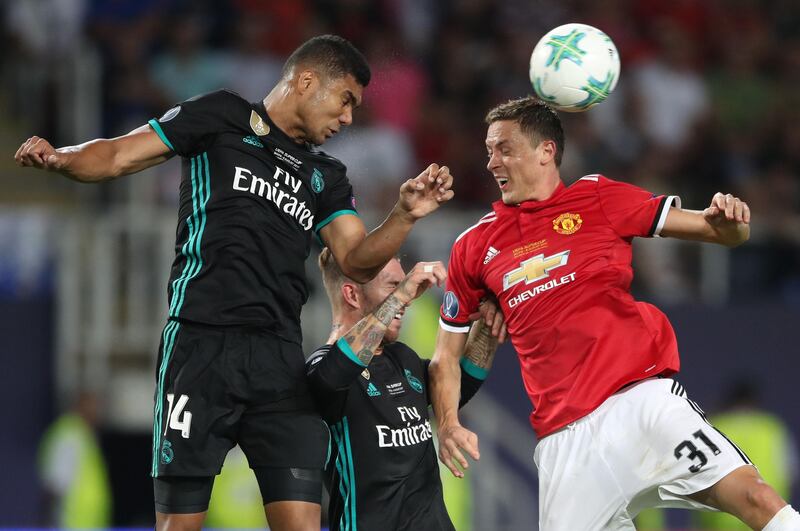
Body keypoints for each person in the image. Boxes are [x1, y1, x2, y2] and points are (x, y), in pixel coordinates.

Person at [15, 35, 454, 531]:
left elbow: (355, 259)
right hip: (200, 346)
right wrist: (62, 158)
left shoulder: (326, 175)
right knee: (180, 524)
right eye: (345, 100)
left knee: (303, 523)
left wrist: (403, 215)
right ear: (307, 81)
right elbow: (119, 156)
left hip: (279, 360)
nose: (348, 118)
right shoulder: (220, 116)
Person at [428, 95, 800, 530]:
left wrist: (732, 220)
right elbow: (445, 357)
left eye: (504, 149)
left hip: (642, 404)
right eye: (489, 150)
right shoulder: (474, 245)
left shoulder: (598, 196)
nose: (491, 162)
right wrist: (450, 422)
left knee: (756, 497)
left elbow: (720, 233)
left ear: (546, 151)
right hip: (566, 441)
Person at [306, 248, 499, 530]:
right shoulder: (322, 367)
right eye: (393, 286)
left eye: (403, 285)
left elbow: (459, 386)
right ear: (352, 295)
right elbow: (332, 375)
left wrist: (488, 321)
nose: (408, 298)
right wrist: (401, 296)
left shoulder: (402, 358)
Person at [37, 392, 112, 528]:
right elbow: (56, 484)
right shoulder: (70, 435)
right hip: (71, 524)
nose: (98, 413)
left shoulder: (84, 434)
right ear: (80, 406)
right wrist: (48, 523)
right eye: (93, 407)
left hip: (88, 524)